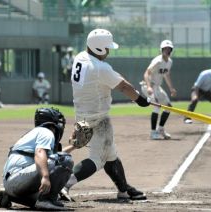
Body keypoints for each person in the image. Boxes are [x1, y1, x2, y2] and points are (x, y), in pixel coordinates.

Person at [60, 28, 150, 202]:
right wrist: (140, 99)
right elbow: (123, 87)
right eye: (107, 48)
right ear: (99, 48)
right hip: (98, 118)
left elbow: (116, 78)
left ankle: (124, 189)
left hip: (82, 115)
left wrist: (133, 92)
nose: (108, 51)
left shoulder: (80, 57)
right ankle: (64, 184)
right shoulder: (101, 68)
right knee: (98, 159)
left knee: (110, 153)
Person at [0, 107, 74, 210]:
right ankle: (46, 200)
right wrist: (45, 177)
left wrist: (74, 146)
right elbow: (40, 153)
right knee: (65, 160)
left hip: (14, 182)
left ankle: (9, 195)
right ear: (53, 123)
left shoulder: (37, 133)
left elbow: (51, 157)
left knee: (46, 197)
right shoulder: (46, 132)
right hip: (17, 178)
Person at [140, 40, 177, 140]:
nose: (167, 51)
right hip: (148, 86)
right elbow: (146, 73)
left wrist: (171, 88)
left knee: (168, 107)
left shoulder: (169, 62)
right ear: (161, 50)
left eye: (169, 49)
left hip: (157, 87)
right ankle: (153, 132)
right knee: (157, 106)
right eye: (165, 49)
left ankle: (160, 129)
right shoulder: (158, 61)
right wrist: (148, 87)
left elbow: (166, 75)